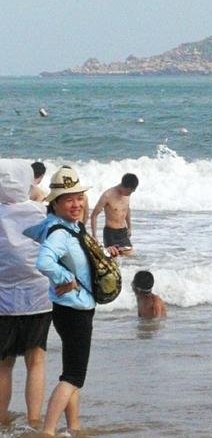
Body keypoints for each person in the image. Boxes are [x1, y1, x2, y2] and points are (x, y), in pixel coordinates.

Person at [24, 166, 120, 435]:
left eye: (79, 197)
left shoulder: (70, 226)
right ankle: (48, 431)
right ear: (55, 203)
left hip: (72, 308)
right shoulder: (60, 232)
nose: (76, 204)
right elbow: (44, 262)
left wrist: (106, 254)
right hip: (74, 311)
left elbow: (77, 258)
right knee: (73, 377)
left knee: (72, 373)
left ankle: (73, 426)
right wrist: (66, 278)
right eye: (69, 199)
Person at [0, 160, 51, 427]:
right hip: (38, 298)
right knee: (36, 360)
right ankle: (34, 421)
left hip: (3, 301)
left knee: (4, 364)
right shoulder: (41, 212)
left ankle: (1, 420)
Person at [90, 173, 138, 255]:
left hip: (123, 232)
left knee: (130, 257)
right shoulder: (107, 195)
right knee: (113, 259)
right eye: (131, 191)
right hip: (111, 233)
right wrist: (94, 236)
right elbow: (94, 215)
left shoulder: (126, 194)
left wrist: (129, 227)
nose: (131, 193)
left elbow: (127, 209)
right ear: (126, 187)